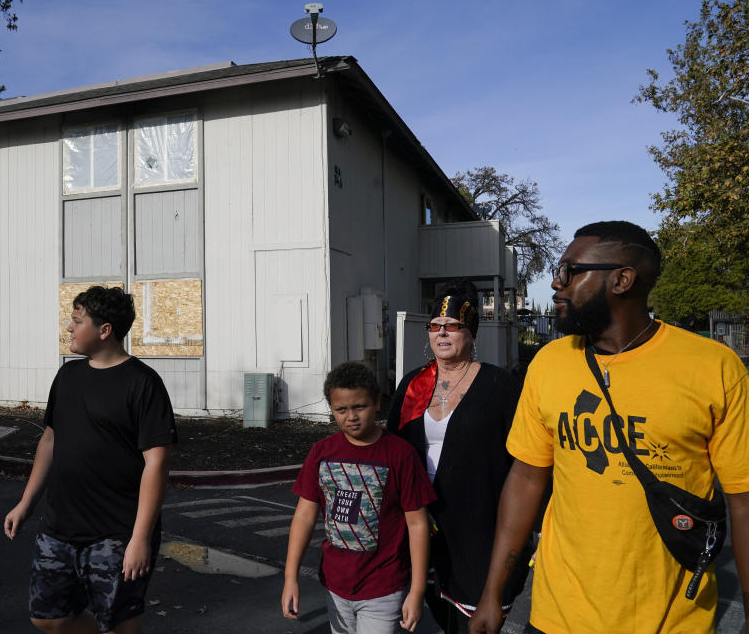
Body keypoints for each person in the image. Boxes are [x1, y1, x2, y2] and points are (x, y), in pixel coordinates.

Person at [468, 221, 749, 634]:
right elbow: (527, 478)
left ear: (622, 279)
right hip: (555, 617)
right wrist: (493, 592)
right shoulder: (548, 363)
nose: (555, 283)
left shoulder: (713, 367)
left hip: (672, 623)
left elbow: (743, 502)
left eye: (569, 271)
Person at [4, 286, 177, 634]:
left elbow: (156, 465)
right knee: (48, 617)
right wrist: (26, 502)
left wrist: (140, 538)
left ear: (104, 330)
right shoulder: (68, 376)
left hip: (116, 532)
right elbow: (50, 439)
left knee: (117, 622)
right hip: (58, 527)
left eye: (77, 321)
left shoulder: (144, 384)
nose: (69, 328)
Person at [387, 279, 531, 633]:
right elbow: (391, 450)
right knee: (437, 609)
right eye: (435, 327)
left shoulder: (499, 386)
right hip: (424, 523)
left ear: (472, 333)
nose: (443, 333)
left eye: (453, 326)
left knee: (475, 619)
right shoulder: (413, 384)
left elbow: (525, 462)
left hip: (480, 526)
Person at [281, 361, 433, 633]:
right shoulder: (321, 452)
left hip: (382, 588)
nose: (350, 416)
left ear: (376, 403)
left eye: (359, 407)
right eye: (341, 409)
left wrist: (417, 590)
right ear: (332, 409)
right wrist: (290, 577)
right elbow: (304, 516)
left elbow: (417, 524)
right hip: (335, 584)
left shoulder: (400, 455)